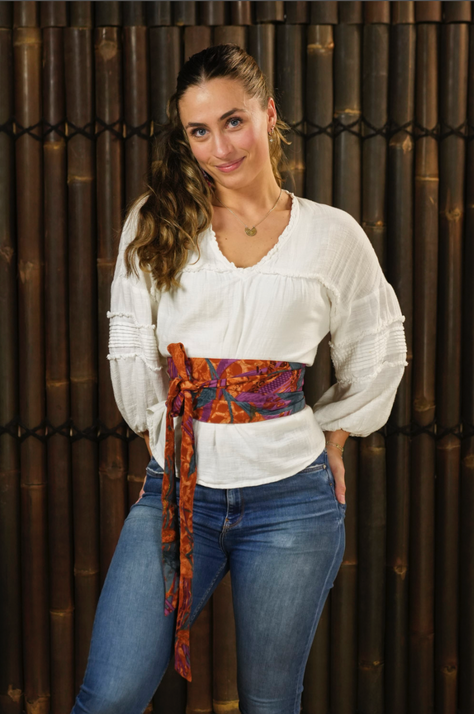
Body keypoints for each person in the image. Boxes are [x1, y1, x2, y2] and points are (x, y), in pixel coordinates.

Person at [71, 44, 407, 714]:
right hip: (177, 496)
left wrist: (334, 437)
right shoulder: (157, 222)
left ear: (268, 115)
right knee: (108, 697)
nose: (220, 147)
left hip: (293, 504)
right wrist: (161, 437)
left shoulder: (333, 236)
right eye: (199, 131)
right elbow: (132, 346)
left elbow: (379, 349)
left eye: (233, 121)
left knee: (270, 704)